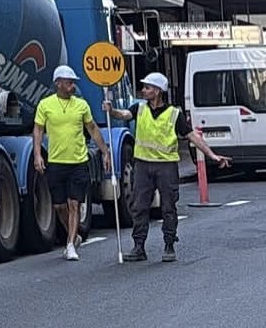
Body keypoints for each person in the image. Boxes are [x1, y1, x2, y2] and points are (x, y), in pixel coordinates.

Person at [107, 72, 229, 264]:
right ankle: (139, 246)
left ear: (157, 91)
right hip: (143, 165)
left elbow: (192, 136)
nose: (143, 90)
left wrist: (211, 155)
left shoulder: (174, 114)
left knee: (168, 207)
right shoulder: (139, 108)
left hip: (166, 167)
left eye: (147, 87)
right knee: (139, 207)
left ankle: (169, 245)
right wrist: (111, 110)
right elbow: (124, 115)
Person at [33, 63, 111, 262]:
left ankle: (69, 245)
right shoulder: (45, 105)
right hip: (56, 161)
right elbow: (38, 130)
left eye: (73, 83)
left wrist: (105, 152)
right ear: (58, 84)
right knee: (60, 206)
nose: (72, 86)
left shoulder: (81, 105)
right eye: (69, 83)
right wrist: (37, 155)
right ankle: (73, 235)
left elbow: (92, 128)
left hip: (78, 162)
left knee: (74, 203)